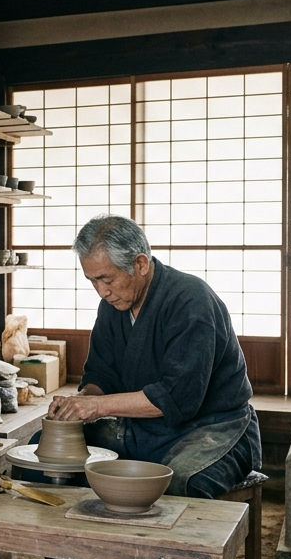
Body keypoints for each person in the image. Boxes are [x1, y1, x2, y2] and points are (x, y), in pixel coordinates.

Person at [44, 214, 261, 499]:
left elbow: (178, 398)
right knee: (47, 459)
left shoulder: (191, 301)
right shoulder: (113, 305)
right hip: (141, 429)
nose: (101, 291)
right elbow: (102, 376)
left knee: (177, 484)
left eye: (106, 279)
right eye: (92, 280)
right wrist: (80, 403)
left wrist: (96, 407)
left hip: (213, 429)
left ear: (140, 264)